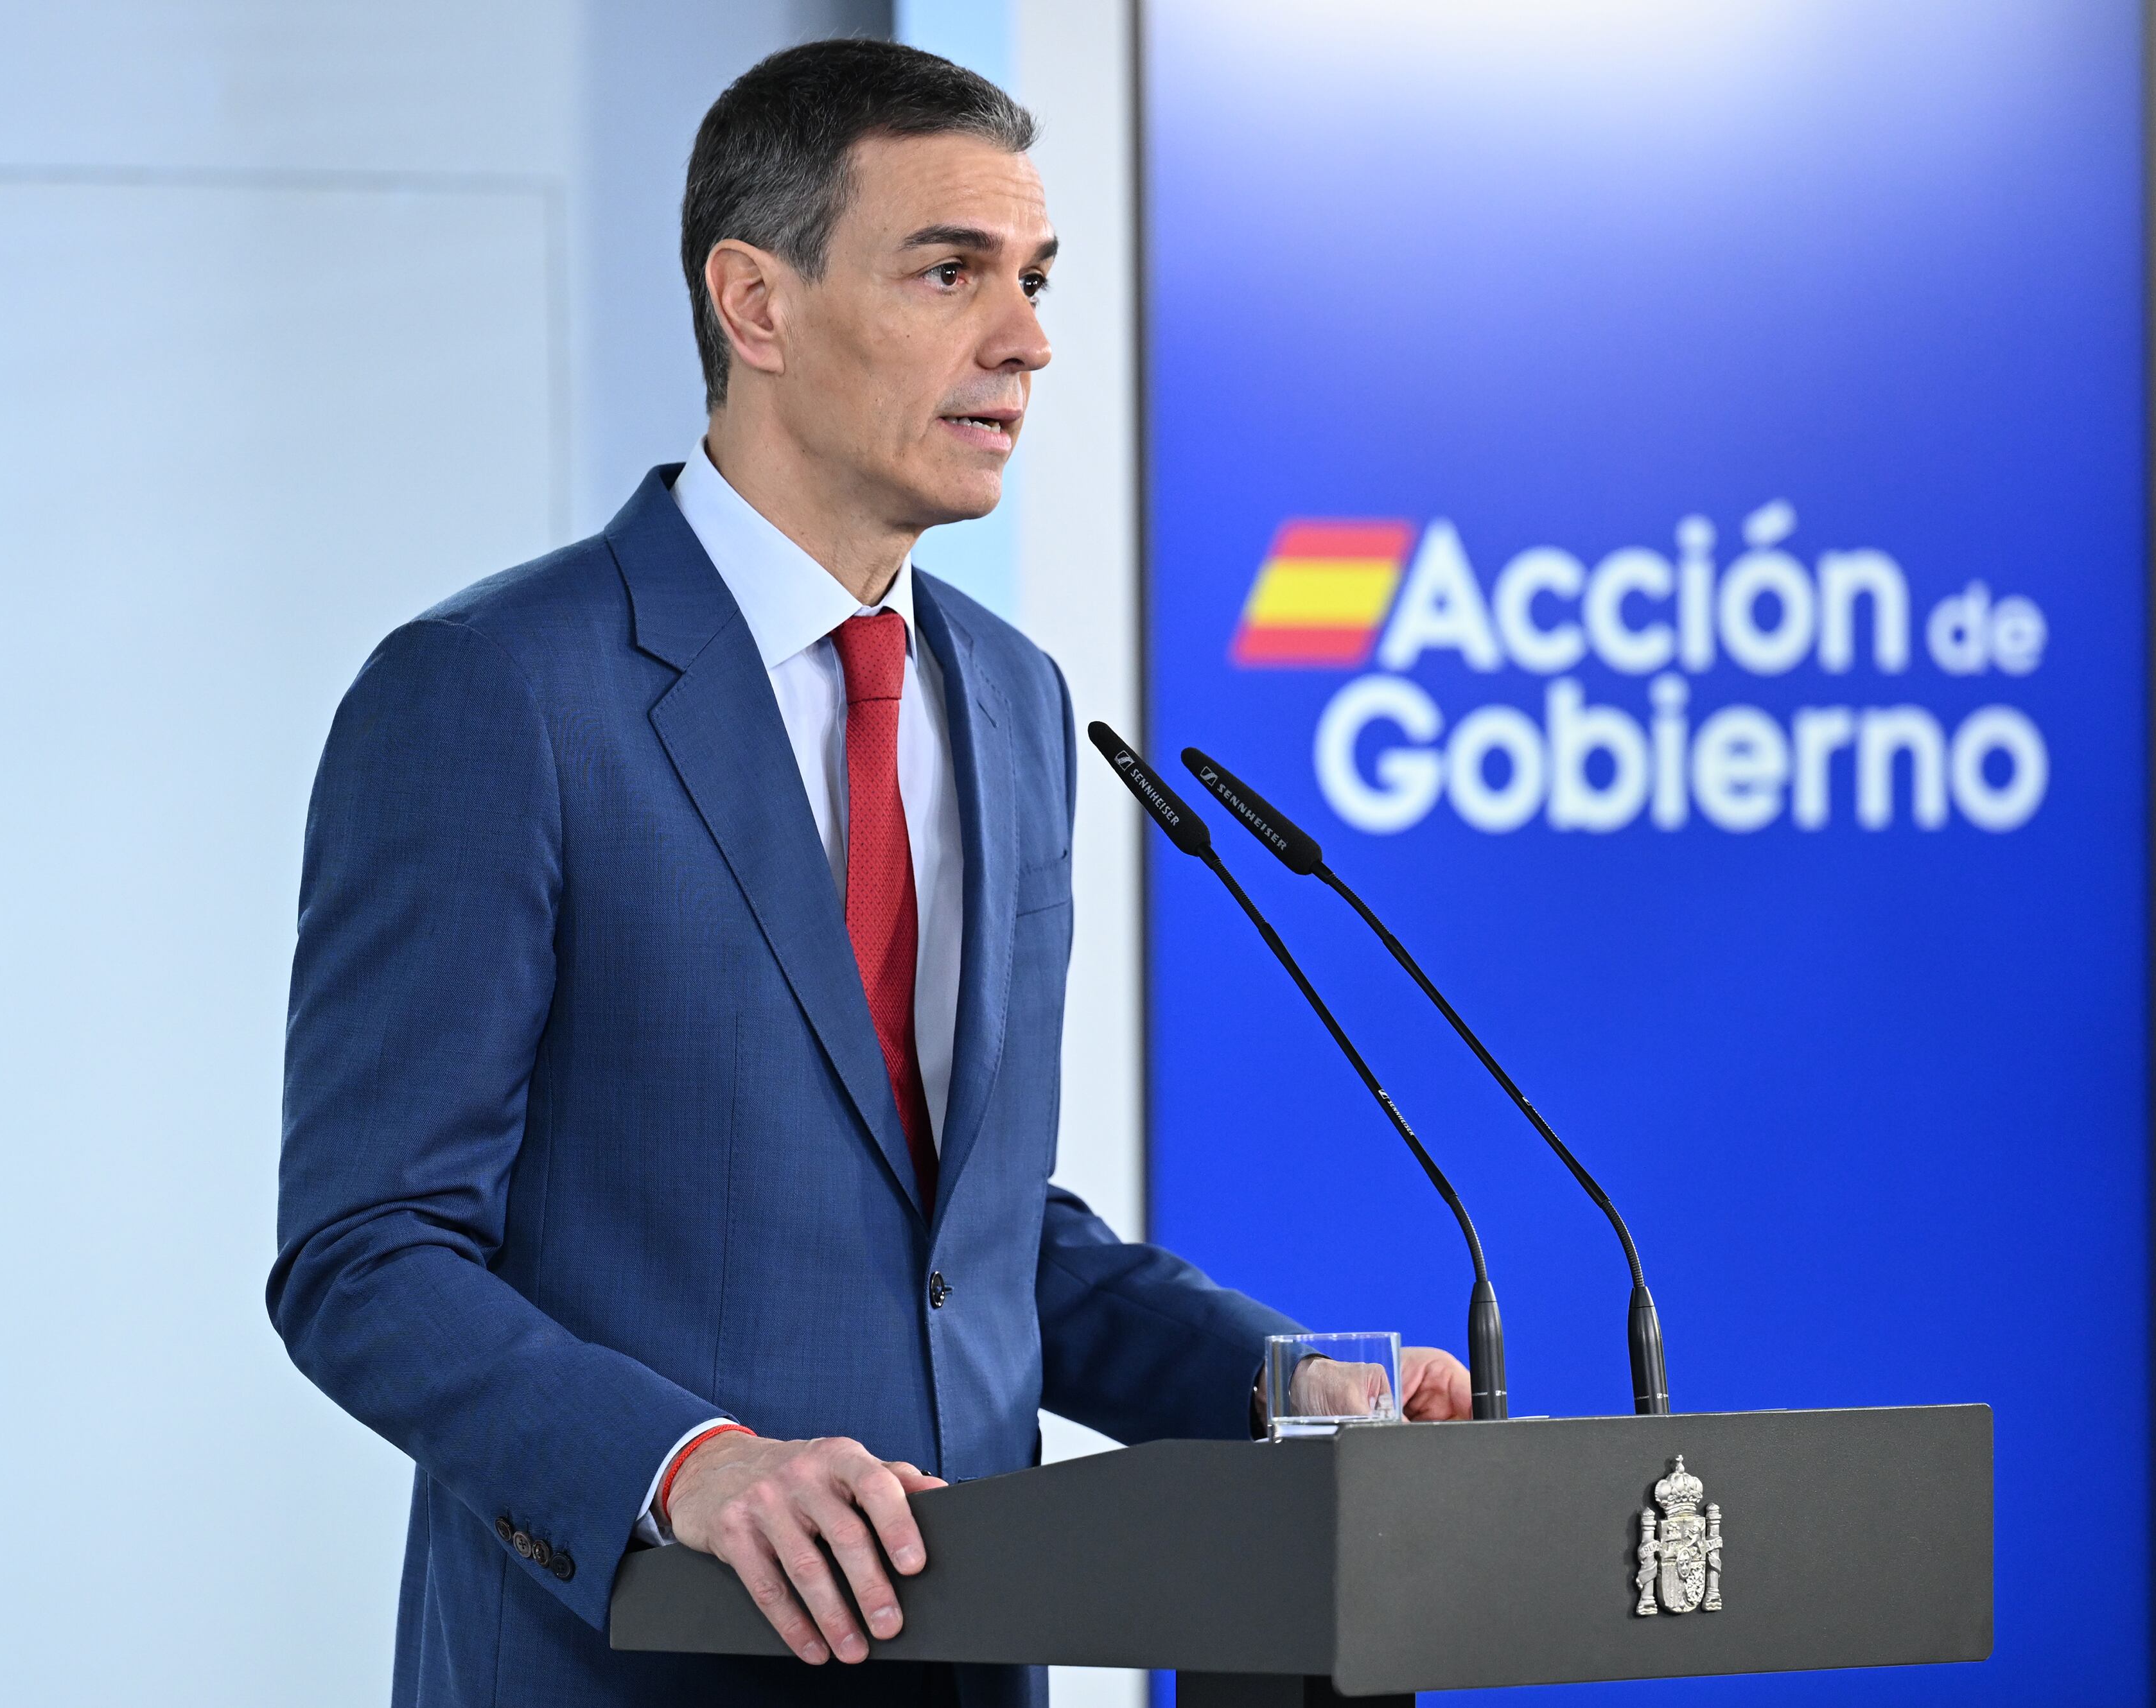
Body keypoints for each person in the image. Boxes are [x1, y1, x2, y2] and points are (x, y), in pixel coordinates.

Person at [270, 38, 1471, 1708]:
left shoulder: (1014, 697)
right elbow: (366, 1252)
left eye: (1035, 280)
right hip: (627, 1671)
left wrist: (1273, 1385)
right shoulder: (497, 692)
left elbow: (975, 1239)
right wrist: (685, 1460)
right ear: (755, 305)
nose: (1027, 341)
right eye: (950, 272)